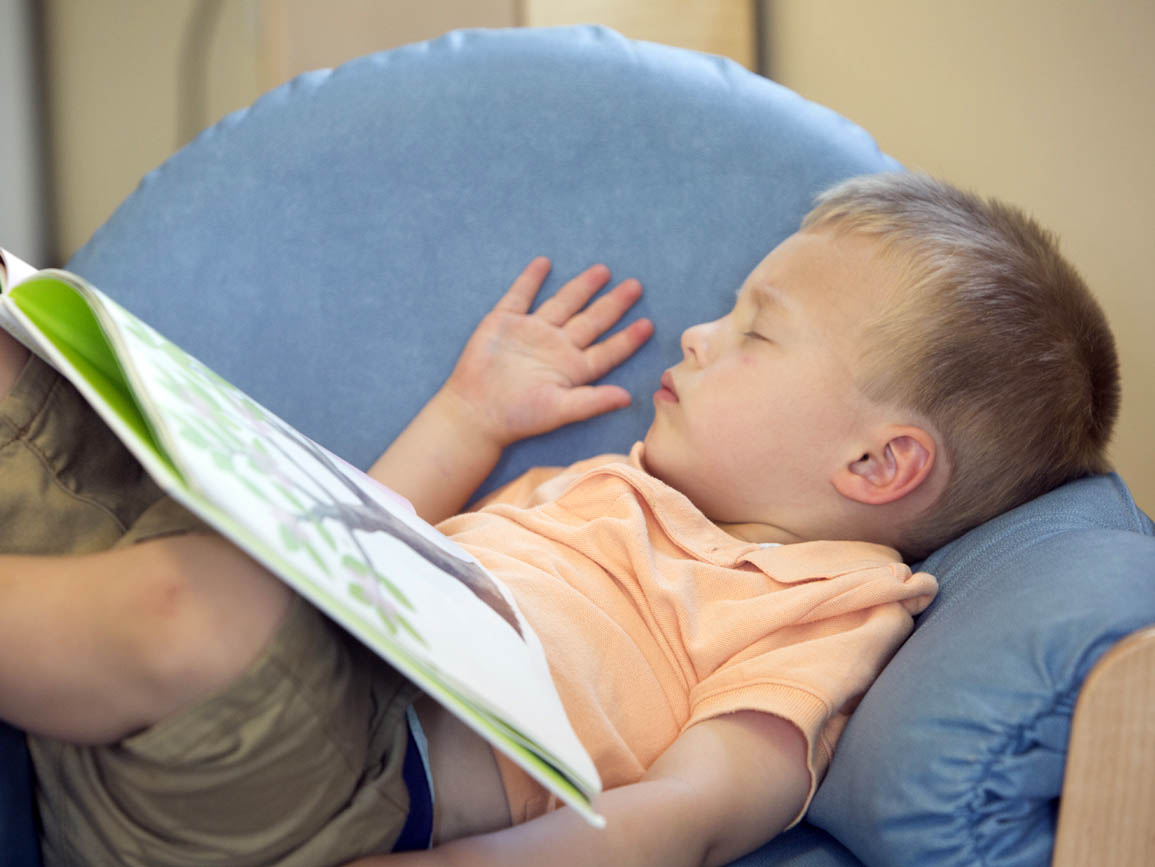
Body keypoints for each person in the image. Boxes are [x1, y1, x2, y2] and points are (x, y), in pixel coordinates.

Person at [0, 172, 1119, 867]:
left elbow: (688, 819)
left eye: (754, 332)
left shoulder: (827, 609)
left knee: (204, 604)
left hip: (332, 774)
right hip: (217, 671)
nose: (696, 334)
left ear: (878, 461)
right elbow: (360, 533)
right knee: (31, 374)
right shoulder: (606, 488)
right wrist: (468, 415)